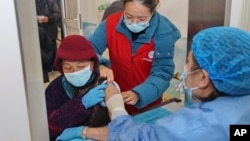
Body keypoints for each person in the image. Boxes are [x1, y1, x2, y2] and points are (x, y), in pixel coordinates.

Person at [100, 26, 250, 140]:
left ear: (203, 78)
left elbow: (134, 138)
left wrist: (117, 108)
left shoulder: (199, 125)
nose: (185, 69)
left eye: (188, 62)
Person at [88, 0, 181, 115]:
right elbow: (88, 50)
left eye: (142, 19)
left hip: (148, 103)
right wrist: (100, 65)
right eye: (128, 16)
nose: (134, 22)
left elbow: (162, 73)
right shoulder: (111, 24)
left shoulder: (164, 33)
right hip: (115, 99)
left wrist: (138, 94)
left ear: (154, 8)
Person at [45, 35, 111, 140]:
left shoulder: (102, 80)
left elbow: (117, 117)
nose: (75, 72)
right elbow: (48, 127)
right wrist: (81, 103)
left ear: (92, 64)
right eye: (68, 67)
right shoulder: (55, 89)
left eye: (80, 67)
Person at [36, 0, 61, 70]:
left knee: (51, 48)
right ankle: (44, 67)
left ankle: (54, 66)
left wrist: (49, 18)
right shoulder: (31, 3)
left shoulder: (51, 1)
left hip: (50, 29)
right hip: (37, 30)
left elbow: (58, 15)